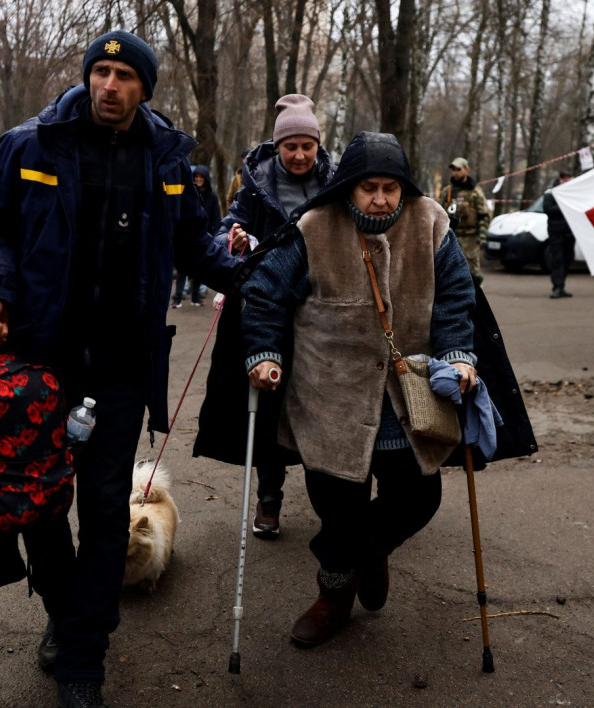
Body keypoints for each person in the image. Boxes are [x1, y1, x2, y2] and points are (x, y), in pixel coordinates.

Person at [0, 30, 245, 708]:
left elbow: (196, 247)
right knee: (38, 506)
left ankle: (83, 660)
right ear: (88, 77)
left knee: (106, 515)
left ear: (145, 88)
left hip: (121, 371)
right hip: (38, 363)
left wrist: (250, 265)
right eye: (101, 71)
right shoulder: (30, 145)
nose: (109, 85)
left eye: (124, 75)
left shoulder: (169, 159)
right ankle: (66, 612)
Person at [240, 131, 478, 648]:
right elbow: (262, 295)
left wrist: (458, 354)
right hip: (331, 396)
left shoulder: (432, 222)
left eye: (390, 188)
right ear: (348, 186)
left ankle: (357, 557)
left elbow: (457, 297)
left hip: (408, 398)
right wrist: (264, 354)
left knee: (419, 497)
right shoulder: (314, 226)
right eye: (368, 187)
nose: (380, 199)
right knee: (336, 503)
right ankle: (333, 598)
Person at [192, 94, 334, 539]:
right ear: (277, 146)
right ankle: (269, 497)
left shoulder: (336, 180)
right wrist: (230, 237)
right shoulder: (255, 181)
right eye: (290, 146)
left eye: (306, 146)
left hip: (320, 304)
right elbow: (226, 226)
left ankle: (333, 500)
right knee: (269, 397)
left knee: (322, 403)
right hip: (267, 305)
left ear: (317, 146)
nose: (298, 155)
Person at [172, 164, 222, 307]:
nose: (199, 179)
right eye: (196, 177)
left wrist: (215, 233)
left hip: (204, 234)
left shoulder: (211, 197)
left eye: (201, 177)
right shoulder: (188, 193)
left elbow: (215, 217)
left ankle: (195, 296)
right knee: (181, 269)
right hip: (186, 235)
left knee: (199, 268)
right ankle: (177, 298)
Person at [439, 156, 490, 285]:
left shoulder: (475, 192)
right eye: (453, 169)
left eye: (458, 169)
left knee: (472, 274)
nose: (455, 172)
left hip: (471, 238)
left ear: (467, 170)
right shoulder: (448, 191)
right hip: (451, 236)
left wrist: (482, 236)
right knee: (450, 271)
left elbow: (483, 214)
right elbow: (439, 213)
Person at [543, 171, 575, 299]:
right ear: (561, 179)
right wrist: (565, 207)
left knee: (568, 259)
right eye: (568, 180)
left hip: (569, 231)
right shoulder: (550, 192)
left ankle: (562, 286)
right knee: (557, 260)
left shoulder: (572, 192)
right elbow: (548, 209)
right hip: (556, 231)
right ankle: (557, 287)